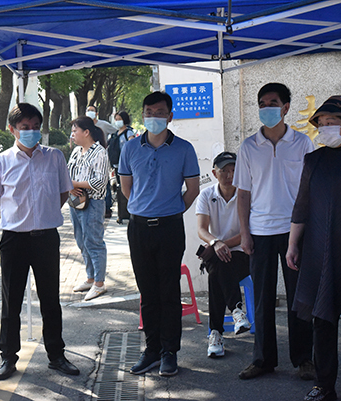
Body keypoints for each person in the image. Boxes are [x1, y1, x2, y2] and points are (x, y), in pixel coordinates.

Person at [285, 97, 341, 401]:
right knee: (322, 320)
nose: (324, 128)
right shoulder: (314, 160)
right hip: (319, 251)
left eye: (330, 123)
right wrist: (292, 244)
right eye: (321, 124)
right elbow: (301, 206)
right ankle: (323, 384)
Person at [0, 103, 79, 380]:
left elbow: (63, 192)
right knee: (11, 301)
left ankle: (56, 355)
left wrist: (44, 214)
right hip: (14, 240)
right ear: (12, 129)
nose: (30, 132)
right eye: (24, 127)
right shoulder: (0, 162)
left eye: (35, 127)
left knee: (50, 299)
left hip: (46, 239)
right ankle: (8, 357)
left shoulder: (54, 157)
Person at [234, 82, 315, 381]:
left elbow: (310, 190)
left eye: (272, 103)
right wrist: (244, 233)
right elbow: (243, 194)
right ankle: (263, 359)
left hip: (296, 231)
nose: (266, 108)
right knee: (263, 299)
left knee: (299, 298)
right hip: (260, 232)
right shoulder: (248, 147)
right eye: (262, 104)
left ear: (286, 108)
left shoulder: (303, 143)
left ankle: (304, 359)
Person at [119, 91, 200, 377]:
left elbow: (193, 190)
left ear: (170, 116)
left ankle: (169, 352)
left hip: (170, 228)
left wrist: (172, 210)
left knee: (169, 291)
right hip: (139, 228)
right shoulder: (130, 147)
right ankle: (151, 349)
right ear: (143, 115)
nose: (154, 117)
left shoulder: (184, 149)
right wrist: (145, 208)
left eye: (160, 112)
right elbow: (126, 188)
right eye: (149, 112)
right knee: (147, 292)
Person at [196, 151, 251, 358]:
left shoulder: (246, 194)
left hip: (242, 253)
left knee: (217, 271)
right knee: (219, 266)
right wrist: (215, 242)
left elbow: (247, 232)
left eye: (234, 170)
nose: (230, 175)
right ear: (214, 173)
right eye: (224, 171)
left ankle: (216, 334)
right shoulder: (206, 195)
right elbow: (201, 229)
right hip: (217, 253)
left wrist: (222, 245)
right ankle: (236, 311)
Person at [68, 116, 110, 301]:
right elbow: (67, 173)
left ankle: (99, 283)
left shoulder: (99, 152)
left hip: (93, 203)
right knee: (81, 241)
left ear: (86, 132)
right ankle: (90, 277)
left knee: (94, 241)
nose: (72, 135)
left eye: (75, 131)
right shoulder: (76, 151)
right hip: (75, 201)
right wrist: (70, 186)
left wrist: (76, 183)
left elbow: (100, 181)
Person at [109, 111, 135, 223]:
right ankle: (122, 213)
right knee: (121, 189)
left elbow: (133, 146)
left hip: (127, 166)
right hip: (117, 165)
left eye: (119, 119)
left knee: (128, 187)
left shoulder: (128, 133)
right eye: (116, 119)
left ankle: (131, 211)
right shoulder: (115, 134)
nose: (117, 121)